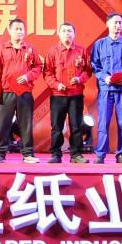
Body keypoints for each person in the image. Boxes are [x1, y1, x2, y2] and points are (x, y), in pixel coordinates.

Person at [88, 13, 122, 164]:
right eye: (115, 22)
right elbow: (95, 65)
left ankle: (121, 154)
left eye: (120, 23)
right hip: (106, 89)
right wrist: (104, 77)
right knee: (103, 122)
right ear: (108, 24)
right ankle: (100, 154)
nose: (118, 26)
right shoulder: (100, 44)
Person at [0, 18, 42, 163]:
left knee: (25, 124)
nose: (19, 32)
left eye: (21, 29)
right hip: (6, 92)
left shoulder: (30, 49)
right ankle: (0, 153)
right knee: (3, 123)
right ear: (10, 30)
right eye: (16, 29)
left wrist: (28, 76)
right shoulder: (2, 48)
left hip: (24, 92)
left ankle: (28, 154)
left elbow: (38, 67)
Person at [45, 22, 88, 164]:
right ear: (58, 34)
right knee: (57, 126)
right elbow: (47, 73)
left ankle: (76, 154)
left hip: (76, 94)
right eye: (63, 31)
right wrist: (57, 85)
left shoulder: (81, 51)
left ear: (74, 34)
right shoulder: (52, 51)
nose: (66, 33)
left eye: (69, 31)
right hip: (58, 95)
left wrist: (80, 79)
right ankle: (56, 154)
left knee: (76, 125)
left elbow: (88, 71)